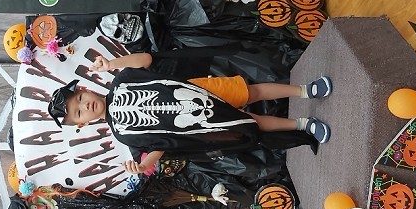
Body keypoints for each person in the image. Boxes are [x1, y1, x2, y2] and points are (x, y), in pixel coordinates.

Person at [48, 52, 331, 174]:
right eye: (78, 112)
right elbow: (161, 145)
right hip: (201, 123)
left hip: (198, 91)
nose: (85, 106)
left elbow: (146, 60)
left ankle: (305, 90)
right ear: (82, 124)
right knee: (251, 123)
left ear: (86, 89)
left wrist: (113, 64)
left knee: (251, 92)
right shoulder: (125, 135)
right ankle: (303, 124)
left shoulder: (122, 80)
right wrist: (145, 166)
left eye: (80, 99)